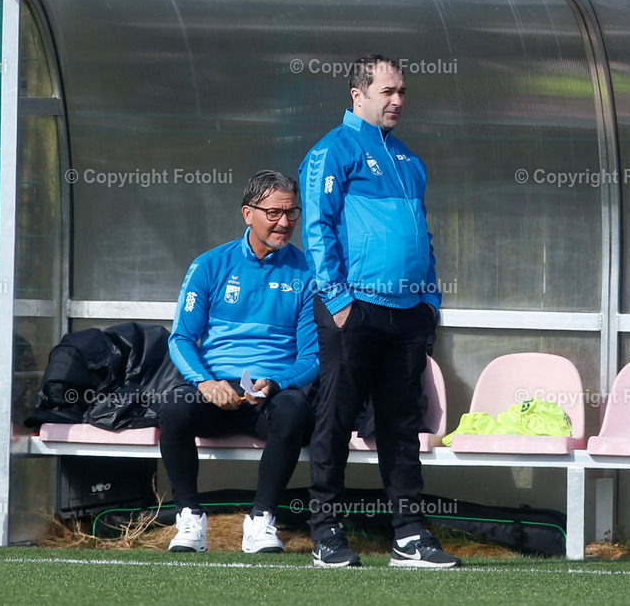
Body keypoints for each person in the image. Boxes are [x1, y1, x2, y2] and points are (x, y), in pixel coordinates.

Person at [299, 54, 461, 568]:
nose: (396, 101)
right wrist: (339, 300)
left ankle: (409, 535)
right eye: (387, 91)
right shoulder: (333, 150)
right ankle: (326, 531)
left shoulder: (410, 160)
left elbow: (423, 235)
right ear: (358, 94)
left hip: (408, 313)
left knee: (400, 426)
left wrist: (429, 301)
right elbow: (317, 228)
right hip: (354, 309)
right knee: (336, 417)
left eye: (402, 92)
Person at [162, 170, 317, 553]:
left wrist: (277, 383)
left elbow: (313, 356)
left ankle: (262, 520)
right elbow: (181, 337)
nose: (285, 222)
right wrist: (204, 382)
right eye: (274, 213)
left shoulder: (309, 271)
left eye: (292, 213)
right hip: (216, 391)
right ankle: (189, 519)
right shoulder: (210, 265)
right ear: (248, 213)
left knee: (294, 407)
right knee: (173, 406)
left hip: (270, 395)